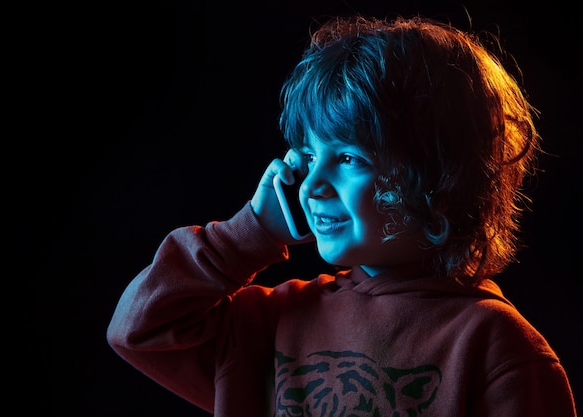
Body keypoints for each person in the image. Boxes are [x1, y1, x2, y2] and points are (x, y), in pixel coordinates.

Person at [106, 15, 577, 416]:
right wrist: (248, 233)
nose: (312, 185)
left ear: (442, 180)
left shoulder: (498, 349)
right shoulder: (267, 323)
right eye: (308, 157)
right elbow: (139, 330)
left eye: (350, 159)